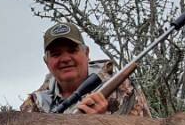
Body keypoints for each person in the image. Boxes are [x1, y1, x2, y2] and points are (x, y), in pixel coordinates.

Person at [20, 22, 152, 117]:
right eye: (56, 54)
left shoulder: (122, 89)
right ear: (46, 62)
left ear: (87, 53)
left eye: (72, 50)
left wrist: (102, 124)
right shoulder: (33, 106)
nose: (65, 59)